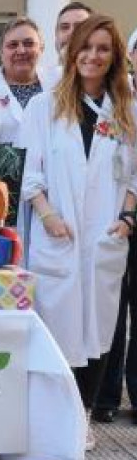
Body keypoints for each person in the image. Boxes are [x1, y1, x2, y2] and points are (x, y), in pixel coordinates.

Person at [21, 14, 137, 450]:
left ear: (114, 57)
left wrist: (126, 220)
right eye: (86, 47)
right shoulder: (45, 106)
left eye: (103, 49)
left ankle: (83, 418)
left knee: (99, 333)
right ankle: (52, 416)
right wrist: (48, 216)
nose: (92, 55)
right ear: (72, 53)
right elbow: (31, 177)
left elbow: (134, 180)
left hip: (105, 237)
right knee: (56, 330)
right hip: (59, 236)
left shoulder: (128, 110)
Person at [92, 25, 137, 425]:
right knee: (109, 311)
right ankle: (100, 400)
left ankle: (123, 399)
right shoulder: (123, 102)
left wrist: (127, 214)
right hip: (107, 221)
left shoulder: (125, 104)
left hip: (120, 218)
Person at [0, 16, 48, 144]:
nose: (21, 50)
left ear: (41, 48)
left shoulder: (57, 86)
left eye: (29, 43)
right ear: (1, 52)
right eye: (13, 45)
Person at [43, 2, 93, 91]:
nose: (71, 33)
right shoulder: (43, 83)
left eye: (79, 27)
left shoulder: (121, 84)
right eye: (64, 27)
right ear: (56, 37)